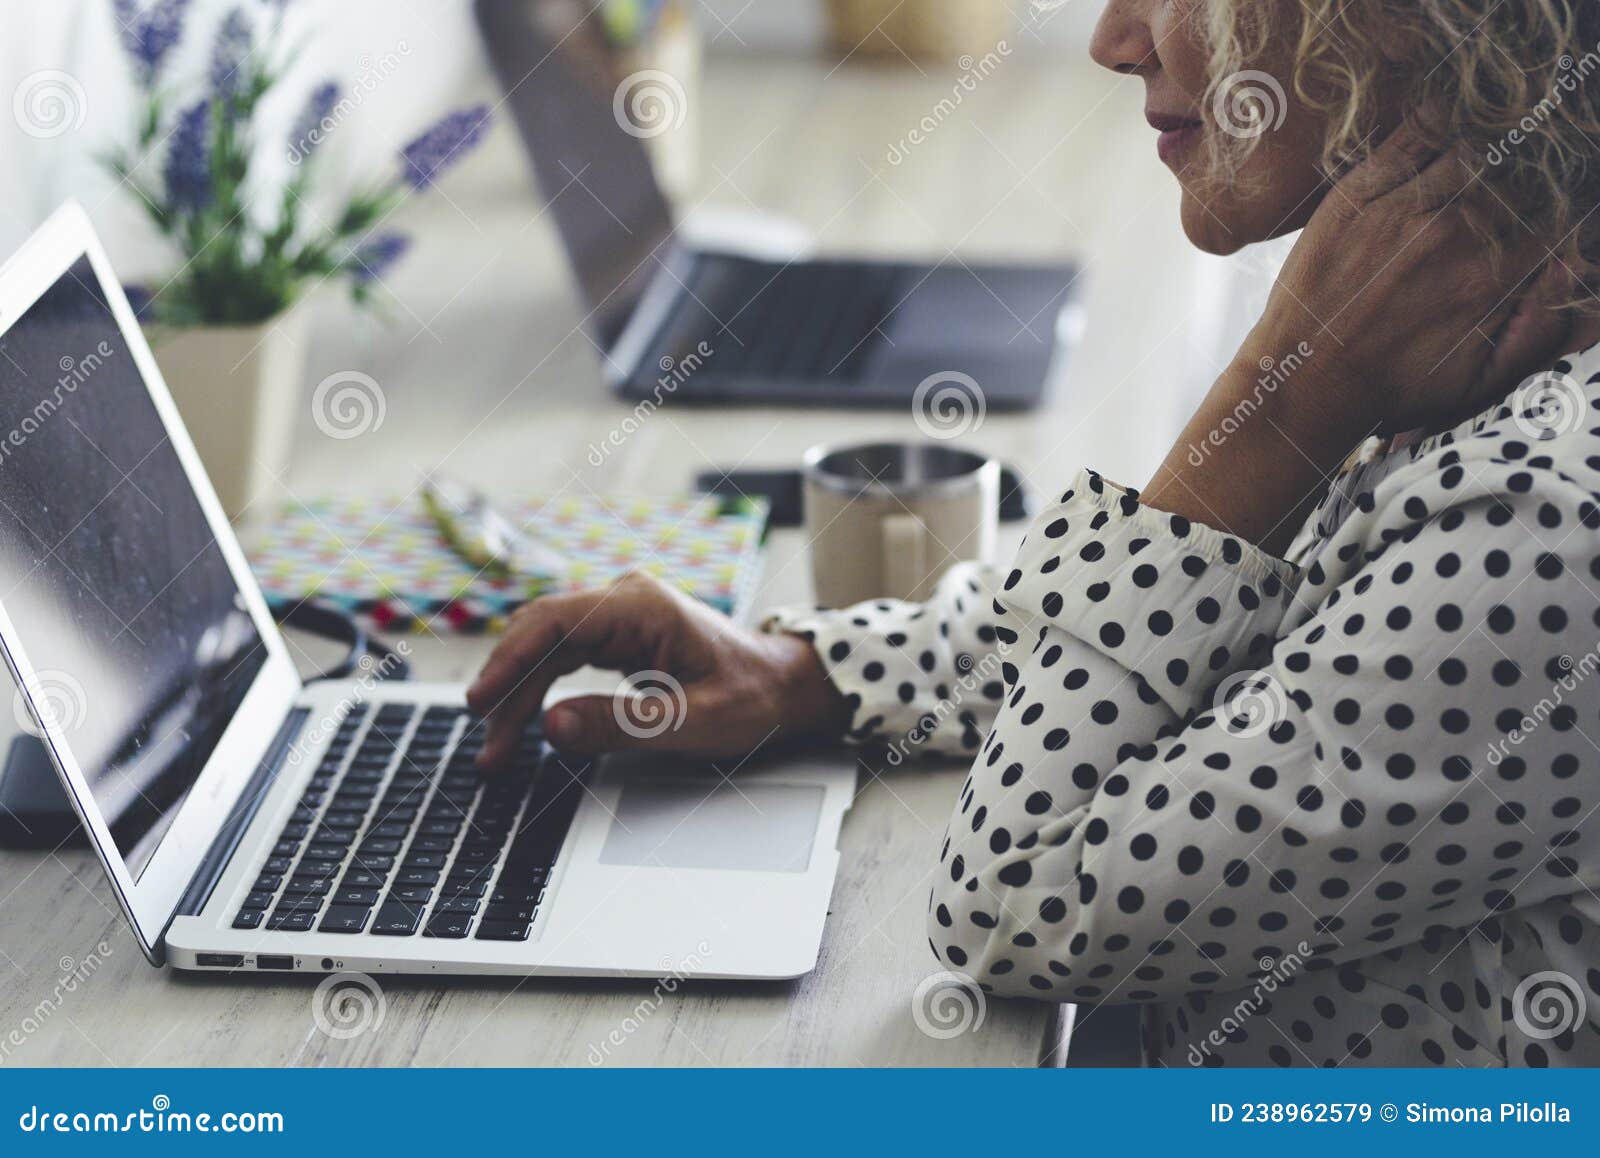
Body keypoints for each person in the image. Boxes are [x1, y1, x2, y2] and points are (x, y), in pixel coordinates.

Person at [469, 0, 1600, 1066]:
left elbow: (1015, 900)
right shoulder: (1467, 313)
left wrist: (1276, 402)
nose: (1113, 40)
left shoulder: (1545, 521)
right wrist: (813, 672)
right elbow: (1237, 654)